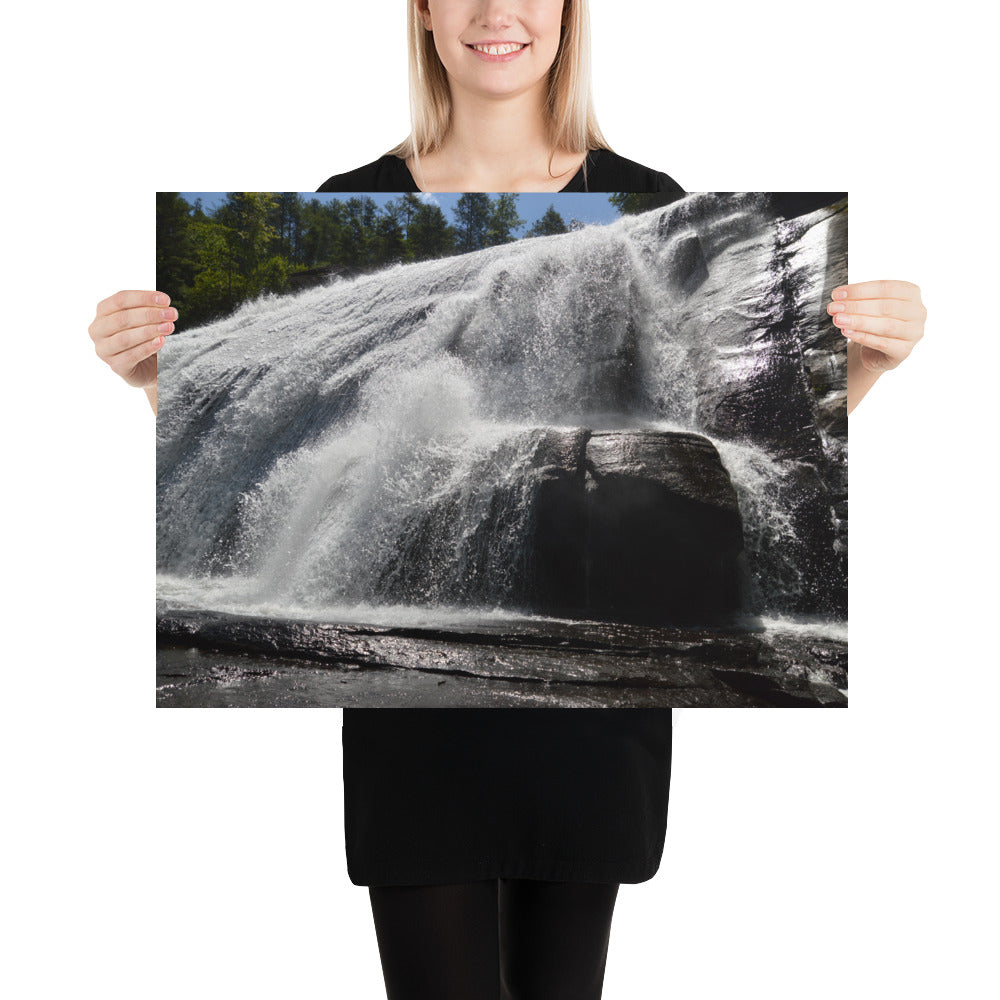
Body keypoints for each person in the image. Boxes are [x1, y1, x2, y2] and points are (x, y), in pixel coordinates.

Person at [89, 2, 925, 997]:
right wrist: (154, 379)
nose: (498, 12)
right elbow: (282, 444)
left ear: (569, 17)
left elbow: (764, 454)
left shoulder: (649, 199)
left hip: (597, 732)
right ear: (426, 16)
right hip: (416, 742)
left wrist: (860, 369)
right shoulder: (351, 195)